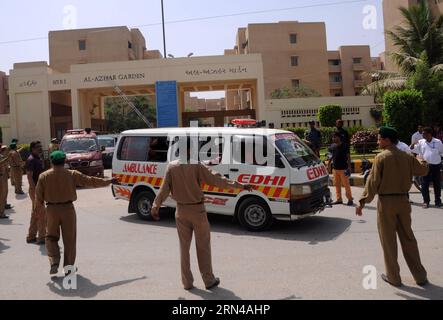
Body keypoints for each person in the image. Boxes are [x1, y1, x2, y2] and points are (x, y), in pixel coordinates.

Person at [151, 138, 253, 291]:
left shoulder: (171, 167)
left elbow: (163, 190)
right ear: (189, 150)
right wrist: (240, 186)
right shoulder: (196, 165)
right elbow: (217, 179)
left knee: (184, 249)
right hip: (197, 211)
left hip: (181, 211)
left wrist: (155, 206)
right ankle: (208, 280)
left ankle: (187, 283)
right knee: (203, 247)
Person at [356, 127, 429, 287]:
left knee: (389, 242)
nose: (377, 141)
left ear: (387, 140)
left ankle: (394, 278)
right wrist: (424, 160)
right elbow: (423, 171)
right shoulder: (407, 157)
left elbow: (373, 183)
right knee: (409, 239)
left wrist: (362, 201)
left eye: (379, 138)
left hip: (386, 203)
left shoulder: (381, 158)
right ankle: (420, 276)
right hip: (403, 201)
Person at [36, 151, 117, 275]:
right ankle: (68, 268)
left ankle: (54, 261)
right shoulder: (72, 174)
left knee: (51, 237)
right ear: (64, 162)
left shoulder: (44, 176)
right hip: (68, 209)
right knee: (69, 240)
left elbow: (38, 199)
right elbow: (90, 181)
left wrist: (40, 215)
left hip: (51, 210)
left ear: (51, 162)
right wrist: (109, 181)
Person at [412, 127, 443, 208]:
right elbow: (413, 149)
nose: (422, 135)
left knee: (437, 184)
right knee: (424, 184)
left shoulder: (438, 142)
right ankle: (426, 201)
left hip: (436, 165)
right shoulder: (421, 142)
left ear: (429, 134)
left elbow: (442, 152)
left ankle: (438, 201)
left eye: (424, 133)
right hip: (425, 166)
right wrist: (412, 145)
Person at [26, 141, 46, 244]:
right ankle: (42, 237)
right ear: (33, 148)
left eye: (40, 146)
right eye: (38, 147)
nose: (40, 148)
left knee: (35, 213)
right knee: (41, 213)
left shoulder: (38, 158)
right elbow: (29, 176)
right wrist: (34, 190)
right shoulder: (31, 160)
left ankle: (31, 236)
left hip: (40, 189)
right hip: (35, 190)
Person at [329, 132, 353, 206]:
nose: (334, 139)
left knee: (346, 185)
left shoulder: (345, 146)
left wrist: (349, 167)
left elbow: (348, 157)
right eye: (333, 137)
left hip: (344, 169)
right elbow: (331, 156)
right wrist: (328, 164)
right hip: (335, 169)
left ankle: (350, 199)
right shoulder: (332, 146)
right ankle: (339, 199)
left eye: (335, 137)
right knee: (337, 185)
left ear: (339, 137)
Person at [0, 146, 10, 219]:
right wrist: (7, 158)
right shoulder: (2, 156)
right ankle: (1, 213)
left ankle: (2, 211)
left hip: (2, 176)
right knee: (2, 195)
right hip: (0, 177)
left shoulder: (2, 156)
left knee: (3, 195)